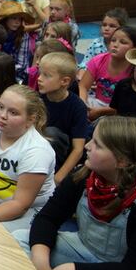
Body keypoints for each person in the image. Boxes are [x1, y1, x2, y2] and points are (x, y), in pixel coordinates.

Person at [14, 116, 136, 270]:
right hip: (84, 249)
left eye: (97, 144)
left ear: (122, 160)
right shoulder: (84, 175)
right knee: (18, 239)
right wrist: (42, 265)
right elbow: (48, 218)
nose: (87, 146)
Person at [0, 84, 57, 232]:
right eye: (1, 107)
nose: (3, 115)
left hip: (29, 210)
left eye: (13, 112)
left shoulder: (37, 151)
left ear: (30, 120)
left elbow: (20, 205)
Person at [37, 52, 90, 184]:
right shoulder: (38, 99)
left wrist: (58, 177)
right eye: (40, 73)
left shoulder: (77, 107)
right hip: (38, 149)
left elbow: (78, 149)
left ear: (64, 81)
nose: (39, 78)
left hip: (62, 155)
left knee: (51, 133)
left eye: (46, 75)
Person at [79, 25, 136, 120]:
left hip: (121, 111)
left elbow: (129, 104)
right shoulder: (98, 60)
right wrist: (83, 105)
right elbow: (83, 86)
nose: (115, 45)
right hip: (97, 102)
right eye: (113, 40)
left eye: (123, 42)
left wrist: (100, 112)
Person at [0, 0, 36, 84]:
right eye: (14, 18)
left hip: (16, 75)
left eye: (20, 19)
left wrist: (2, 68)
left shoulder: (23, 35)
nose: (17, 22)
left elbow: (22, 65)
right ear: (5, 19)